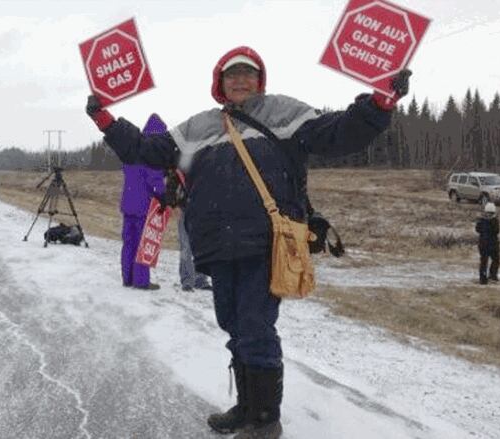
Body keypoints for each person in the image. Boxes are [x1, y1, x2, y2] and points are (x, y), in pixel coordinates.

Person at [85, 46, 411, 438]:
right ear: (219, 82)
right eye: (232, 75)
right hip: (218, 247)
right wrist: (105, 118)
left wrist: (379, 103)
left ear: (260, 80)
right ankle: (245, 407)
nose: (240, 81)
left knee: (256, 327)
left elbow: (339, 133)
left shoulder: (284, 113)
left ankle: (265, 422)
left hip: (266, 244)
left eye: (248, 74)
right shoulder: (199, 126)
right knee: (234, 325)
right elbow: (147, 150)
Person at [120, 114, 166, 291]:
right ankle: (141, 281)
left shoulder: (132, 151)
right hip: (143, 205)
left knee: (129, 242)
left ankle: (127, 277)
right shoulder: (151, 153)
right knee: (142, 243)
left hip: (128, 203)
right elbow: (154, 178)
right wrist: (162, 194)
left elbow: (129, 171)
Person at [164, 170, 213, 292]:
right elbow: (171, 184)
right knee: (186, 246)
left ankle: (200, 279)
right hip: (185, 210)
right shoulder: (182, 164)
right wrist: (172, 205)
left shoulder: (208, 162)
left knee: (202, 246)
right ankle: (187, 280)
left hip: (202, 211)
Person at [476, 202, 500, 284]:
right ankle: (493, 276)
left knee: (484, 261)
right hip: (492, 244)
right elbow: (497, 231)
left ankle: (483, 279)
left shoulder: (481, 220)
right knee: (496, 260)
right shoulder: (494, 220)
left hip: (483, 243)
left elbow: (477, 230)